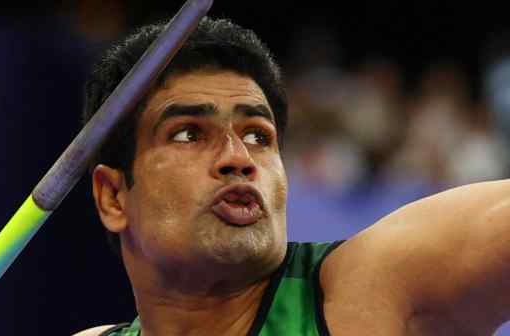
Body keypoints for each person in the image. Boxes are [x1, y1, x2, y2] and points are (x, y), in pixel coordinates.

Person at [74, 17, 510, 335]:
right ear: (113, 196)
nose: (238, 157)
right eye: (189, 134)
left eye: (258, 135)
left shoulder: (375, 288)